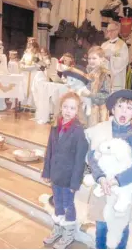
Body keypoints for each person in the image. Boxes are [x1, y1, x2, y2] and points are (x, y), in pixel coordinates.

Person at [86, 89, 132, 249]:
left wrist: (117, 180)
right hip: (102, 185)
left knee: (120, 225)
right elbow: (92, 156)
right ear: (113, 110)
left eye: (128, 108)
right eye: (120, 106)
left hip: (123, 187)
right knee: (101, 225)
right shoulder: (101, 130)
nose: (123, 111)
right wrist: (100, 177)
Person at [42, 92, 88, 249]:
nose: (68, 111)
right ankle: (59, 228)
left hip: (69, 177)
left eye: (72, 108)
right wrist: (47, 172)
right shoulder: (55, 126)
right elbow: (49, 150)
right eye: (66, 107)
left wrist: (75, 183)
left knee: (68, 204)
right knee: (57, 202)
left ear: (77, 111)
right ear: (61, 108)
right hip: (56, 174)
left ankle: (69, 233)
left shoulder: (78, 131)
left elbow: (80, 160)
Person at [82, 46, 112, 127]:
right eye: (89, 58)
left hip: (98, 113)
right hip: (87, 109)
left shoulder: (104, 75)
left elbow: (106, 95)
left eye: (94, 58)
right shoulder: (88, 73)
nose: (91, 61)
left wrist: (90, 95)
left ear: (102, 59)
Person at [101, 22, 129, 91]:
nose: (109, 32)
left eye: (111, 30)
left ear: (117, 31)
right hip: (104, 76)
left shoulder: (122, 45)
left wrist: (111, 58)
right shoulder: (104, 45)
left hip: (116, 77)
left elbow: (124, 60)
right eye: (108, 30)